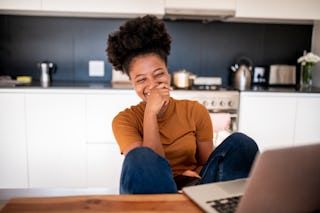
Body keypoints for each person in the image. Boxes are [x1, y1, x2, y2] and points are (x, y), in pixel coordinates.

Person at [106, 15, 259, 194]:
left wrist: (189, 178)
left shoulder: (195, 111)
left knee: (242, 144)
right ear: (132, 83)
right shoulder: (124, 121)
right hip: (150, 193)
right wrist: (150, 113)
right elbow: (148, 167)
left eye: (158, 74)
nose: (152, 84)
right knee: (140, 157)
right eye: (141, 79)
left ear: (168, 74)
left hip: (194, 189)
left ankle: (227, 205)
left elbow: (206, 164)